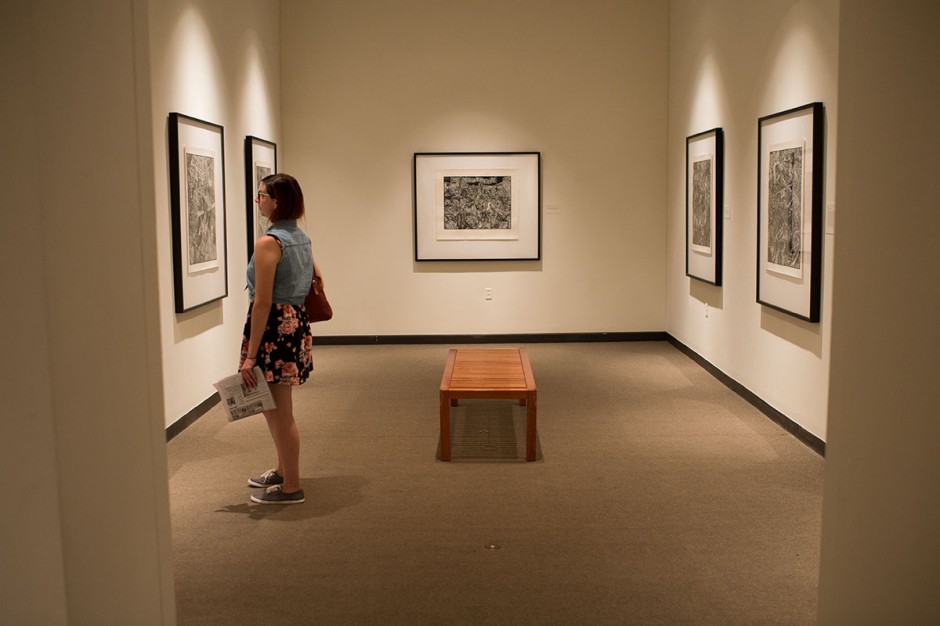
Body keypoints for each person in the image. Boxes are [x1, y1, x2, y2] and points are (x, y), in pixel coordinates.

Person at [239, 173, 322, 505]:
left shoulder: (269, 242)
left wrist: (249, 355)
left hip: (275, 329)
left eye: (261, 195)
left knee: (278, 410)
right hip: (294, 323)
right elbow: (317, 276)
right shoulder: (300, 237)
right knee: (273, 406)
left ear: (277, 201)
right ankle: (282, 469)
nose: (257, 200)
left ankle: (292, 486)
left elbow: (262, 301)